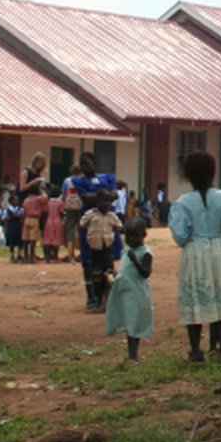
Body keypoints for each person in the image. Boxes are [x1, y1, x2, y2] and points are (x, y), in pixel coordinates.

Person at [171, 152, 221, 361]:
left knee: (194, 297)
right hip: (218, 249)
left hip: (194, 252)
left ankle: (195, 350)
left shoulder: (182, 203)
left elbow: (180, 236)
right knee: (218, 295)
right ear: (212, 172)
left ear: (187, 174)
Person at [67, 153, 121, 311]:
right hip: (90, 228)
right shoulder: (78, 181)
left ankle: (107, 296)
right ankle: (92, 297)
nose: (85, 167)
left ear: (94, 163)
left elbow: (115, 194)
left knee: (108, 263)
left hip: (106, 226)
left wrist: (99, 197)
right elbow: (85, 197)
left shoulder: (107, 178)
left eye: (87, 163)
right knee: (88, 263)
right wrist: (105, 195)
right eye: (82, 164)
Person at [106, 217, 154, 365]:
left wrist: (135, 261)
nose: (131, 240)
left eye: (135, 236)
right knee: (128, 322)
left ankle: (134, 355)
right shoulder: (126, 250)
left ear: (144, 235)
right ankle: (130, 354)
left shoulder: (145, 253)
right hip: (125, 292)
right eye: (128, 236)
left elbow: (146, 273)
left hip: (137, 293)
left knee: (134, 323)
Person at [79, 193, 123, 313]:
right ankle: (98, 300)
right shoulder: (90, 215)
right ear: (97, 203)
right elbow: (82, 224)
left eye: (109, 202)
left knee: (109, 275)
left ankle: (108, 300)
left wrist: (110, 236)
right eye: (103, 201)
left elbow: (119, 226)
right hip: (95, 250)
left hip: (107, 250)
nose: (106, 204)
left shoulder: (112, 216)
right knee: (96, 276)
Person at [42, 187, 67, 262]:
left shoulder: (48, 202)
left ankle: (48, 257)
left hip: (49, 220)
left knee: (48, 237)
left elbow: (45, 212)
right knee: (57, 237)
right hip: (57, 220)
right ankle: (55, 256)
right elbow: (61, 212)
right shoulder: (60, 202)